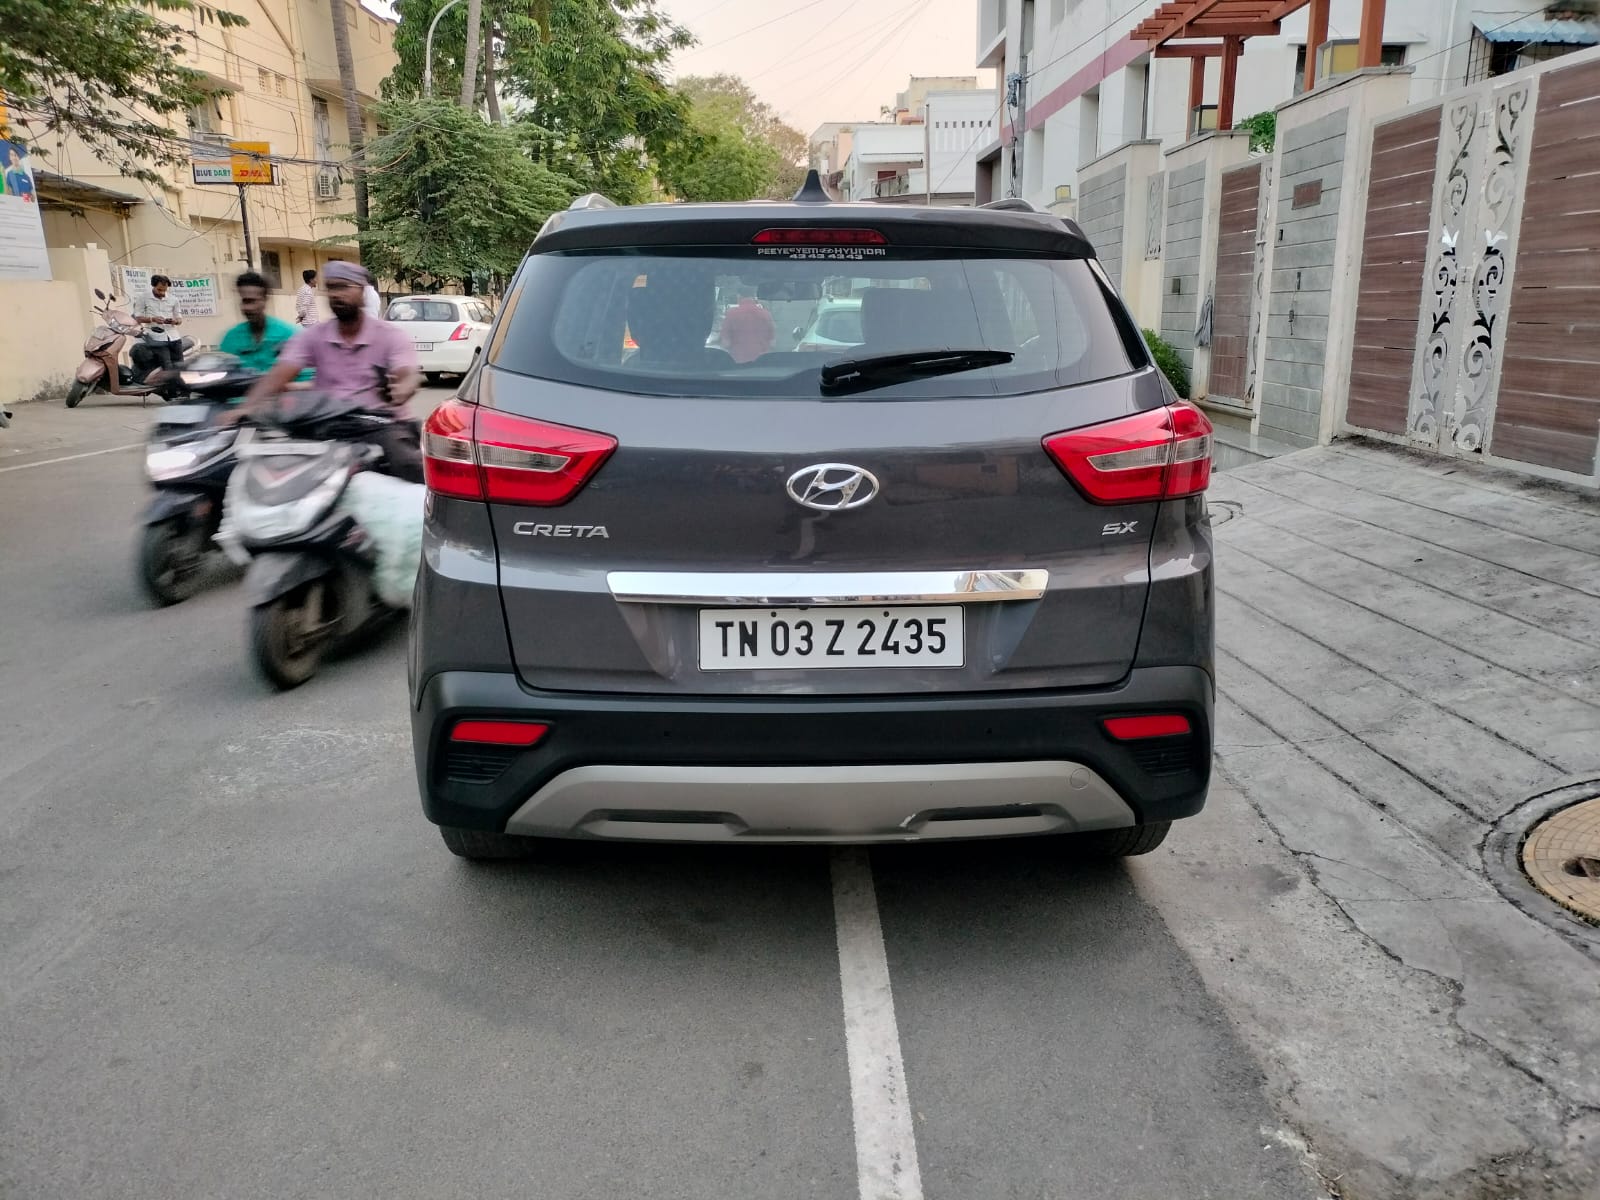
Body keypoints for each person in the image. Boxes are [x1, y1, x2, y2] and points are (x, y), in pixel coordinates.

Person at [237, 261, 423, 481]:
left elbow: (407, 373)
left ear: (362, 292)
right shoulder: (314, 336)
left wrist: (402, 388)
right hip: (328, 424)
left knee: (408, 464)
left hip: (379, 424)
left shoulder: (390, 335)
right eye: (331, 287)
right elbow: (279, 374)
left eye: (343, 287)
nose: (335, 294)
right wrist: (245, 408)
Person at [218, 271, 304, 379]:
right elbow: (221, 377)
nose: (247, 308)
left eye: (252, 301)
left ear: (265, 300)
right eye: (244, 301)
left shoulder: (289, 335)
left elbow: (305, 377)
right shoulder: (231, 338)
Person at [131, 274, 184, 375]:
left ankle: (180, 384)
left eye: (165, 290)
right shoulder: (143, 298)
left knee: (180, 366)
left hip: (174, 336)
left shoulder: (173, 299)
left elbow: (179, 318)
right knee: (167, 368)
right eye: (159, 290)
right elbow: (138, 317)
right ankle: (169, 385)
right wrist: (153, 319)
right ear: (153, 286)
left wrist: (175, 321)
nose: (162, 293)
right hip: (157, 338)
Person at [717, 287, 776, 364]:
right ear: (754, 297)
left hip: (738, 362)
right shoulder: (766, 314)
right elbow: (772, 343)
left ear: (739, 296)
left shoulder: (731, 314)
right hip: (761, 363)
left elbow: (726, 343)